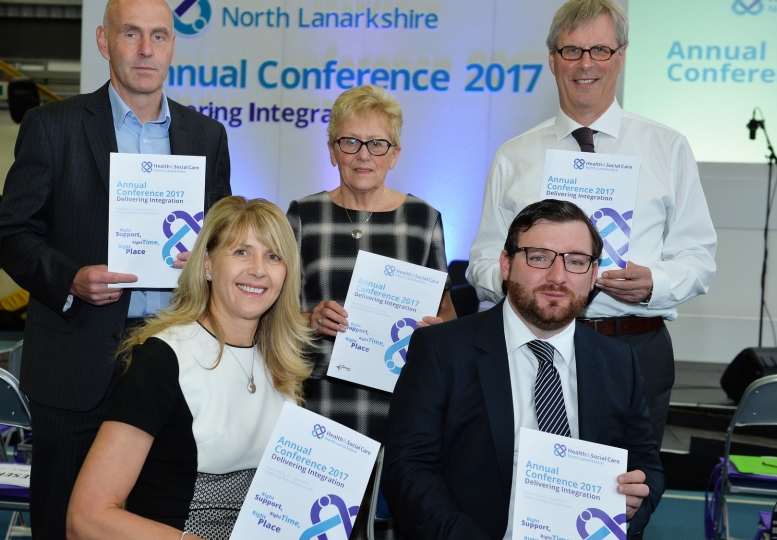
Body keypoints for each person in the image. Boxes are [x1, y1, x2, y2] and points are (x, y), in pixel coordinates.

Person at [0, 0, 231, 535]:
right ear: (105, 42)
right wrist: (70, 279)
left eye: (159, 36)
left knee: (155, 521)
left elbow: (222, 240)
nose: (146, 49)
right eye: (131, 34)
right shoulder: (50, 126)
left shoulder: (206, 137)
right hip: (76, 358)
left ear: (173, 46)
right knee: (65, 521)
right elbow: (12, 234)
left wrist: (205, 258)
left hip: (174, 358)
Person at [465, 0, 716, 447]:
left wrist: (654, 283)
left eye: (600, 50)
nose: (586, 64)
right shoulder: (514, 156)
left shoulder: (668, 148)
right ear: (552, 59)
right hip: (532, 346)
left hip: (632, 346)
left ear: (620, 56)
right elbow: (484, 260)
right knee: (522, 493)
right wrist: (524, 281)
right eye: (572, 51)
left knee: (625, 501)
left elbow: (698, 258)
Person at [384, 199, 665, 540]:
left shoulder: (618, 362)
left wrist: (632, 506)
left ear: (593, 275)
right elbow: (409, 470)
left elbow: (647, 468)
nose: (557, 276)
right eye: (539, 257)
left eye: (576, 261)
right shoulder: (442, 350)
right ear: (506, 264)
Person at [66, 196, 311, 540]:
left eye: (273, 256)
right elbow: (85, 519)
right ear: (208, 264)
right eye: (241, 252)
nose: (258, 269)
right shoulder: (162, 360)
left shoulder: (283, 365)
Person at [286, 85, 455, 443]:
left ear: (394, 155)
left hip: (402, 400)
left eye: (377, 144)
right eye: (350, 142)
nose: (363, 156)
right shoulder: (304, 215)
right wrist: (310, 319)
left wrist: (435, 331)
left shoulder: (422, 220)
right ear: (333, 151)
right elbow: (272, 315)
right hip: (318, 399)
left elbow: (448, 317)